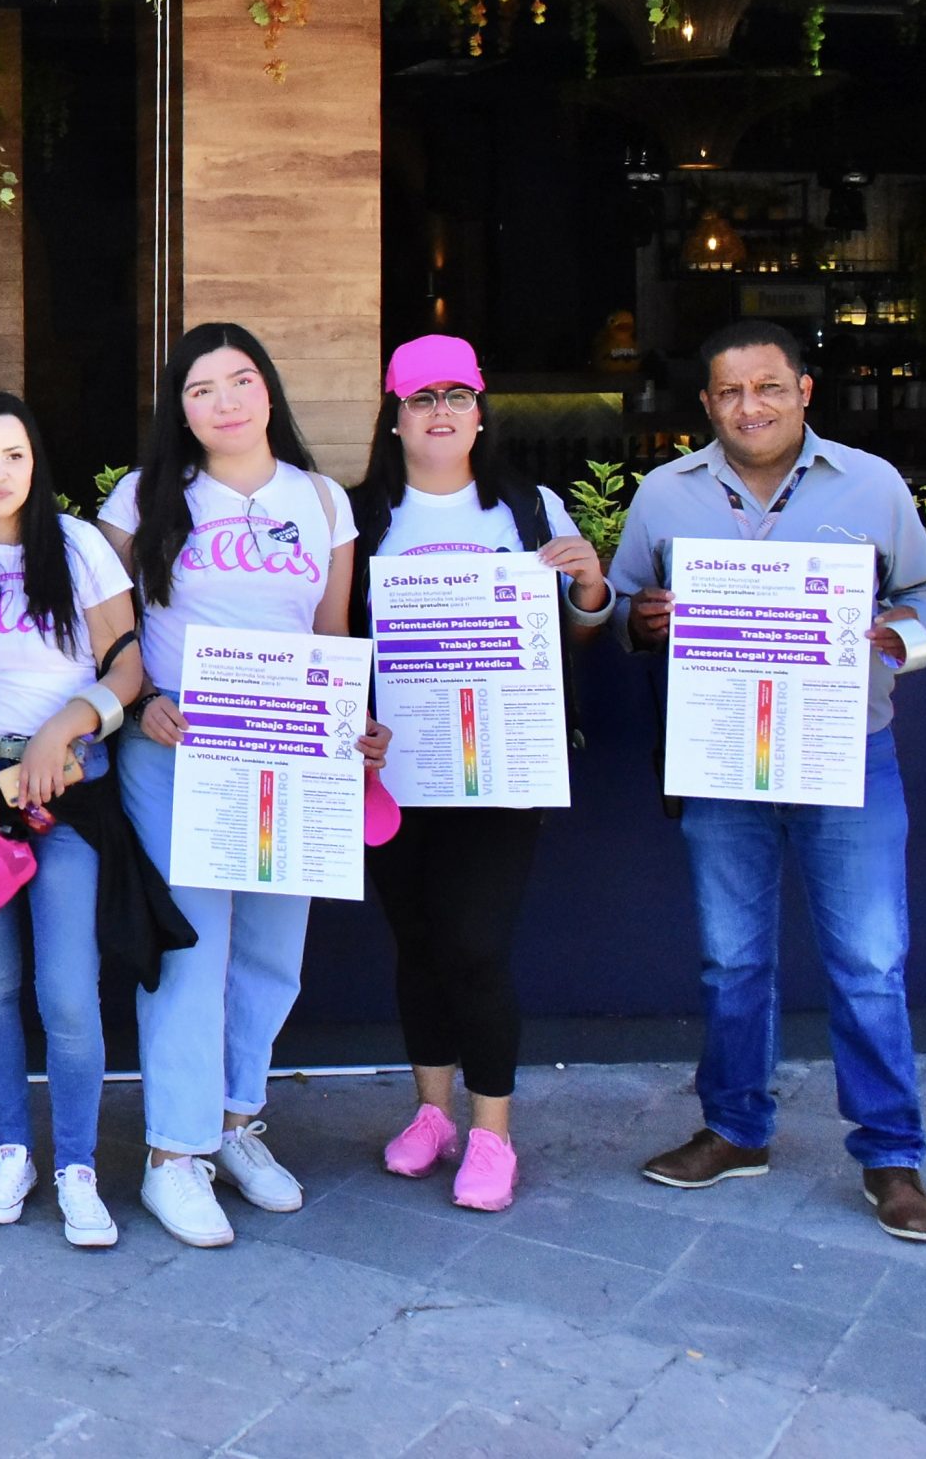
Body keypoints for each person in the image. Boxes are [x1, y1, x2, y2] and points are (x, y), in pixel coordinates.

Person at [608, 318, 926, 1243]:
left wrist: (897, 637)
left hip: (848, 751)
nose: (748, 406)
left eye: (767, 387)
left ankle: (890, 1154)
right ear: (706, 403)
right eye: (728, 391)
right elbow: (624, 604)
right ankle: (735, 1128)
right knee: (732, 957)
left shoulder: (872, 485)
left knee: (869, 961)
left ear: (804, 391)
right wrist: (643, 618)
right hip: (722, 757)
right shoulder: (664, 494)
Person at [98, 322, 389, 1249]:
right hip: (177, 749)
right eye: (200, 389)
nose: (224, 401)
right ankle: (171, 1153)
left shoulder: (322, 500)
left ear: (269, 390)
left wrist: (356, 721)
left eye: (240, 380)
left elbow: (332, 634)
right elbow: (105, 627)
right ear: (178, 410)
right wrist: (141, 699)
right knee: (191, 948)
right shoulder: (142, 497)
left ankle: (232, 1121)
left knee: (272, 949)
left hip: (290, 756)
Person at [348, 335, 613, 1213]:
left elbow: (581, 629)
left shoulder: (530, 508)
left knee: (476, 944)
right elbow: (335, 635)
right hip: (396, 769)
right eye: (421, 397)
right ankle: (432, 1114)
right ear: (394, 417)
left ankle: (492, 1131)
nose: (441, 411)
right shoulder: (361, 516)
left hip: (502, 767)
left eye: (457, 395)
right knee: (418, 942)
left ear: (480, 410)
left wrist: (589, 587)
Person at [0, 390, 147, 1250]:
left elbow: (128, 666)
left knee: (67, 987)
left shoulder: (79, 545)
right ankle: (12, 1151)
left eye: (15, 454)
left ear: (37, 461)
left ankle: (78, 1166)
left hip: (68, 784)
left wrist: (68, 726)